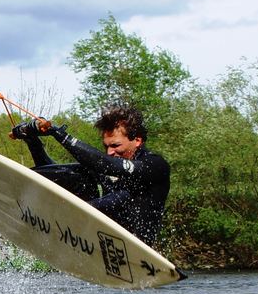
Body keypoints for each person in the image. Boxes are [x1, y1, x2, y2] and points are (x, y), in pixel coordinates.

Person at [10, 105, 170, 247]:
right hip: (97, 234)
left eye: (115, 145)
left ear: (137, 140)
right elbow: (57, 174)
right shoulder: (107, 167)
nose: (110, 152)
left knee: (120, 192)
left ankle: (75, 212)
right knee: (80, 175)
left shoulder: (154, 165)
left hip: (135, 239)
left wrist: (58, 133)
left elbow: (104, 164)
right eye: (106, 146)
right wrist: (32, 140)